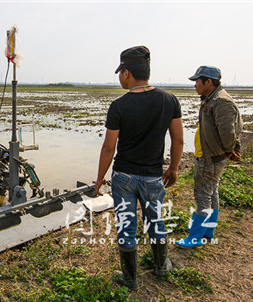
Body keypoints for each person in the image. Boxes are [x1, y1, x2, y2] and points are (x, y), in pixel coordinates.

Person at [95, 45, 184, 290]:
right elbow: (177, 139)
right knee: (156, 222)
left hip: (123, 177)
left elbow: (108, 147)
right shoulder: (169, 100)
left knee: (126, 225)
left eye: (119, 72)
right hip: (153, 177)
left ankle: (130, 279)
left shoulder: (119, 106)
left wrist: (99, 178)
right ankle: (160, 267)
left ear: (126, 73)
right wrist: (173, 169)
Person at [175, 66, 242, 249]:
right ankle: (208, 231)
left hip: (210, 157)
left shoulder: (221, 102)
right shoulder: (211, 99)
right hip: (209, 155)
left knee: (203, 195)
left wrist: (230, 151)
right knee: (212, 192)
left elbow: (228, 132)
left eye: (197, 81)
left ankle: (195, 236)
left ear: (208, 82)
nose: (195, 85)